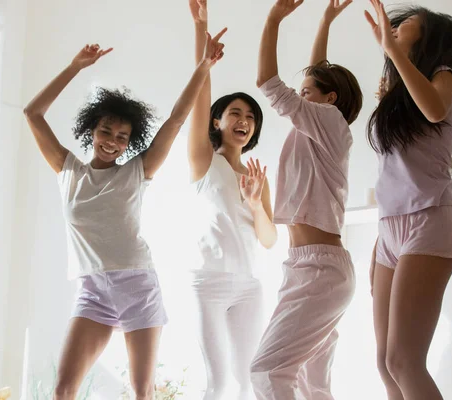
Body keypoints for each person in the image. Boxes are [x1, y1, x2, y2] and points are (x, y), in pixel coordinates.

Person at [23, 33, 226, 400]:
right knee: (63, 390)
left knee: (141, 391)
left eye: (121, 136)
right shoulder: (69, 171)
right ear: (92, 131)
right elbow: (32, 113)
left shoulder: (136, 171)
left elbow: (178, 119)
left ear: (128, 143)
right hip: (92, 291)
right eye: (105, 131)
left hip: (137, 286)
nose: (112, 141)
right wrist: (75, 67)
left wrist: (204, 68)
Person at [250, 0, 363, 398]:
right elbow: (319, 73)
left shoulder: (329, 121)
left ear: (329, 99)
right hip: (308, 267)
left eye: (305, 92)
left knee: (268, 372)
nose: (297, 98)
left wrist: (273, 19)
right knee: (310, 383)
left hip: (320, 270)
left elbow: (267, 81)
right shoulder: (320, 126)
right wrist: (326, 19)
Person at [365, 1, 452, 399]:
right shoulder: (398, 92)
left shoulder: (446, 78)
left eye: (409, 23)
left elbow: (433, 107)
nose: (400, 25)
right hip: (390, 229)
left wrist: (392, 52)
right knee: (385, 363)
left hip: (428, 220)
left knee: (404, 360)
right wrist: (381, 239)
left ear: (429, 39)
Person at [187, 1, 277, 398]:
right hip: (208, 283)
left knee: (248, 381)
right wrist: (201, 36)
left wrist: (256, 203)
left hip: (249, 287)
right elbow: (197, 100)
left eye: (250, 117)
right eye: (234, 113)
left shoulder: (256, 177)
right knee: (218, 382)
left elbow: (270, 240)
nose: (243, 121)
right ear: (217, 121)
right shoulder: (204, 162)